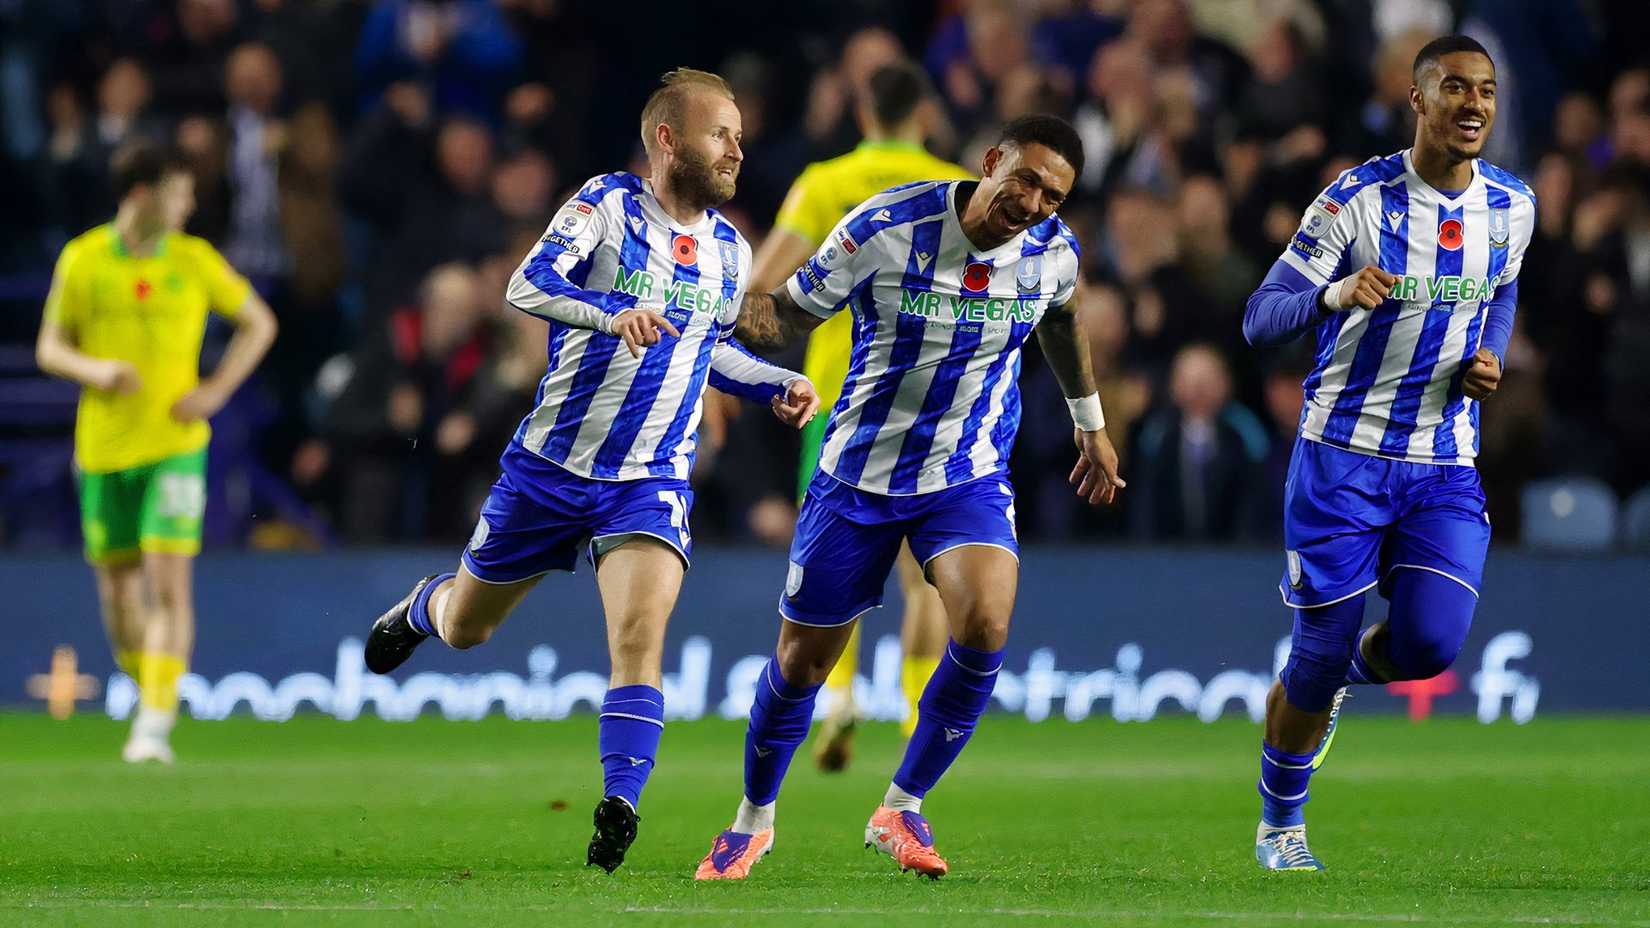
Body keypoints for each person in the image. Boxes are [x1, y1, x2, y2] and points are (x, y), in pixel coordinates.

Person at [359, 68, 819, 873]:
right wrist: (611, 313)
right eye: (720, 133)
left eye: (739, 135)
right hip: (549, 468)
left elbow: (709, 351)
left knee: (638, 638)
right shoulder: (607, 205)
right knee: (469, 628)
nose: (736, 150)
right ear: (668, 139)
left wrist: (774, 382)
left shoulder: (730, 249)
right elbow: (525, 283)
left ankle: (620, 803)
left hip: (649, 478)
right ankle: (426, 605)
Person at [695, 114, 1125, 881]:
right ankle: (752, 819)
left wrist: (1089, 423)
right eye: (1024, 180)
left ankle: (901, 805)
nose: (1032, 204)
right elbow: (787, 314)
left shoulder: (1053, 252)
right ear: (991, 161)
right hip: (857, 475)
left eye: (1053, 196)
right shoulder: (885, 228)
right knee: (801, 664)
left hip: (966, 475)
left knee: (986, 622)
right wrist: (703, 316)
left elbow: (1062, 318)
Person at [1240, 35, 1533, 870]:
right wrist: (1334, 294)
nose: (1473, 104)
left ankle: (1336, 679)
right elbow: (1260, 318)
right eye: (1455, 88)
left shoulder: (1513, 205)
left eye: (1486, 90)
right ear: (1417, 99)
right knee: (1316, 652)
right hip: (1342, 456)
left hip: (1443, 460)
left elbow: (1503, 285)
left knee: (1431, 646)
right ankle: (1281, 825)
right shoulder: (1356, 203)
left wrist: (1490, 354)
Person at [749, 59, 972, 772]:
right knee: (920, 573)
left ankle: (839, 695)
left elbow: (762, 283)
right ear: (924, 114)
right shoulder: (955, 186)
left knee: (835, 561)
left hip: (838, 396)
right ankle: (916, 713)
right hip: (931, 400)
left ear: (863, 114)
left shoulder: (826, 183)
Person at [34, 139, 279, 764]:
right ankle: (154, 693)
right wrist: (96, 369)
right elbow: (50, 348)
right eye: (179, 193)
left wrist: (217, 390)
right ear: (142, 194)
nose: (188, 205)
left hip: (176, 445)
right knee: (119, 594)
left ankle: (154, 723)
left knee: (168, 584)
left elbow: (260, 322)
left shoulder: (194, 260)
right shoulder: (84, 258)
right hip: (103, 449)